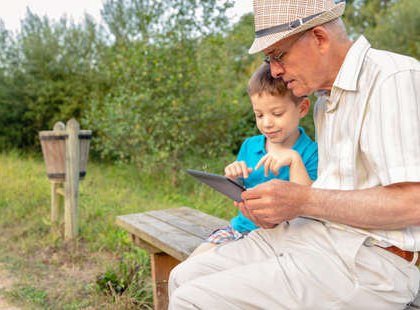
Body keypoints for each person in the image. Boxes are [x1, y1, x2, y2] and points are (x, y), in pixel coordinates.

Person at [168, 0, 420, 309]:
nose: (274, 70)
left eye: (278, 55)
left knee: (192, 301)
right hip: (311, 237)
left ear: (319, 38)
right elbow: (338, 197)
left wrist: (302, 199)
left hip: (370, 263)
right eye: (269, 58)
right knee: (182, 277)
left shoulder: (392, 77)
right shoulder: (325, 101)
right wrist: (276, 210)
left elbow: (414, 202)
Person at [190, 63, 318, 258]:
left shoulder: (310, 152)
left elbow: (310, 206)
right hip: (239, 229)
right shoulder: (250, 146)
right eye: (259, 115)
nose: (266, 123)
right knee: (192, 263)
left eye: (277, 114)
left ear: (302, 108)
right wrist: (234, 178)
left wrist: (294, 160)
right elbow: (241, 194)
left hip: (280, 240)